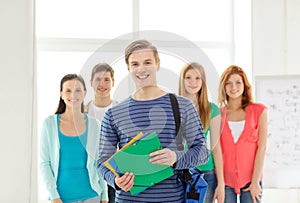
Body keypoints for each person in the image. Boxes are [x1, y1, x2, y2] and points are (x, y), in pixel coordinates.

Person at [97, 39, 209, 203]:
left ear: (157, 64)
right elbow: (101, 162)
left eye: (147, 62)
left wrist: (176, 157)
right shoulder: (113, 114)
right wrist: (115, 181)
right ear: (128, 69)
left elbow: (202, 152)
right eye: (135, 64)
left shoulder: (182, 106)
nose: (141, 68)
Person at [40, 74, 108, 203]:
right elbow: (45, 163)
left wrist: (105, 196)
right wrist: (54, 196)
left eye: (78, 90)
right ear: (61, 94)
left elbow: (99, 162)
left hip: (92, 195)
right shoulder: (49, 124)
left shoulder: (95, 125)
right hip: (61, 198)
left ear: (84, 93)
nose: (73, 95)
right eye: (68, 90)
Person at [218, 65, 268, 203]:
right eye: (228, 83)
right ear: (224, 86)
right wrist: (220, 183)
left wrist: (256, 181)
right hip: (226, 181)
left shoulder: (259, 111)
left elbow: (262, 148)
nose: (233, 87)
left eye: (238, 82)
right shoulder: (218, 114)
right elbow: (217, 150)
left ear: (245, 85)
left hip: (252, 180)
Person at [179, 62, 225, 203]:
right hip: (181, 172)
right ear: (182, 80)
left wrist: (221, 183)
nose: (193, 82)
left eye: (198, 78)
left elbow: (216, 148)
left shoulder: (212, 109)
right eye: (188, 77)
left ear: (203, 81)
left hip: (205, 174)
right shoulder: (174, 107)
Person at [84, 63, 117, 203]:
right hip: (87, 174)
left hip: (113, 173)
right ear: (91, 82)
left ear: (113, 82)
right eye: (98, 79)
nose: (102, 84)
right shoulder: (82, 112)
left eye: (106, 79)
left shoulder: (120, 111)